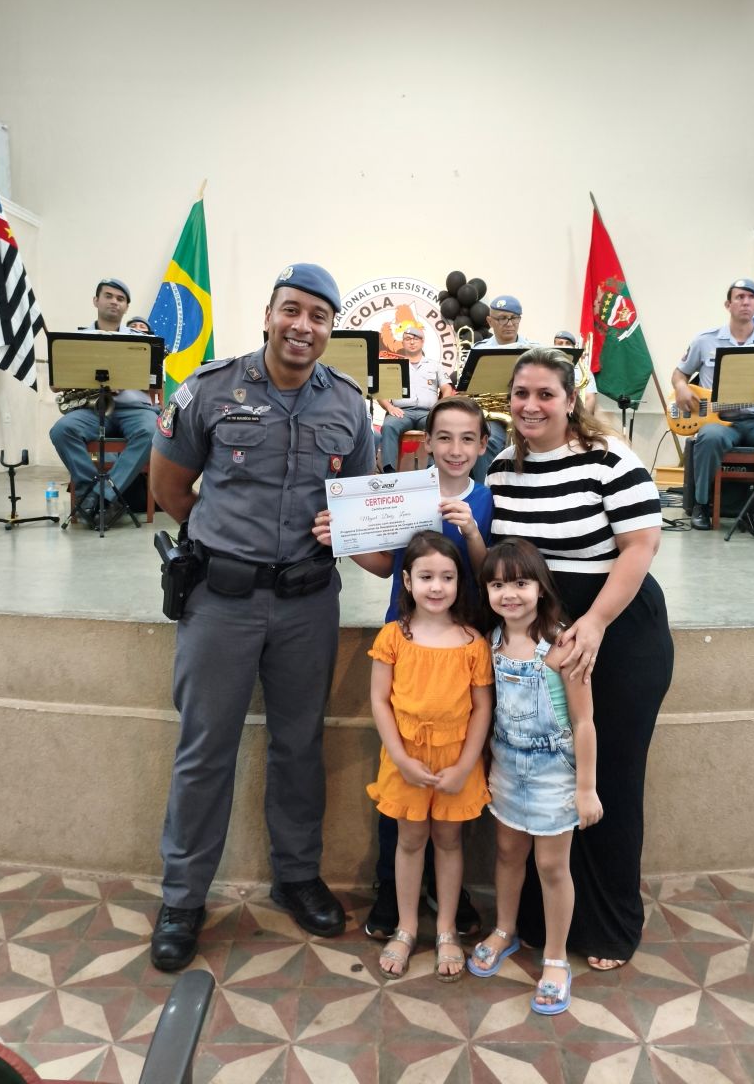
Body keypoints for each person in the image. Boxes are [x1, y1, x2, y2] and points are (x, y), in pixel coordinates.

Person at [148, 263, 375, 972]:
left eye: (319, 316)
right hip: (222, 602)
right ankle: (183, 897)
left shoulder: (349, 404)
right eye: (292, 310)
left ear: (331, 329)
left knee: (299, 746)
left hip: (308, 602)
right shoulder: (210, 390)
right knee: (204, 749)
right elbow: (170, 487)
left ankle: (297, 876)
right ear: (269, 314)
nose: (303, 326)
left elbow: (360, 499)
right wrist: (230, 542)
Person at [487, 346, 673, 971]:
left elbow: (641, 544)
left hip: (616, 634)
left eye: (546, 394)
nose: (531, 405)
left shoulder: (608, 457)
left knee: (608, 779)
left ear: (571, 401)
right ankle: (543, 921)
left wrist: (594, 623)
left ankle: (610, 926)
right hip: (548, 637)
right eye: (521, 393)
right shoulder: (503, 469)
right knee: (547, 780)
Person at [313, 396, 493, 940]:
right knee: (401, 782)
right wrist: (343, 539)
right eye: (445, 438)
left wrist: (473, 533)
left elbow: (492, 575)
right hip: (409, 644)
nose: (455, 449)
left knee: (457, 780)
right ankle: (392, 889)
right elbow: (386, 564)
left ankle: (447, 889)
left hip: (463, 647)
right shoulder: (408, 493)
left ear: (483, 446)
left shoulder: (487, 498)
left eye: (467, 439)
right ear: (426, 443)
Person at [468, 538, 602, 1015]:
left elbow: (584, 722)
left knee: (551, 866)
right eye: (498, 585)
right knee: (507, 852)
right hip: (507, 767)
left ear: (540, 588)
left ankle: (556, 957)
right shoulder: (491, 642)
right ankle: (504, 928)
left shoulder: (563, 646)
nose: (510, 594)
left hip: (553, 775)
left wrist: (586, 788)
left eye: (521, 583)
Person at [366, 530, 494, 981]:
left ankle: (445, 930)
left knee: (449, 841)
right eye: (426, 577)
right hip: (406, 760)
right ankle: (405, 927)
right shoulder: (393, 637)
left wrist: (465, 765)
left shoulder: (473, 643)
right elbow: (379, 700)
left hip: (456, 761)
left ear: (460, 582)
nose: (436, 587)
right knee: (409, 840)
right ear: (407, 581)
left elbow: (482, 709)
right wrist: (401, 759)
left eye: (447, 577)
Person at [672, 279, 754, 533]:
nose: (746, 302)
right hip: (719, 421)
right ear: (728, 304)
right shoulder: (705, 340)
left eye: (751, 298)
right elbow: (680, 373)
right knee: (709, 437)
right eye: (740, 297)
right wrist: (681, 387)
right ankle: (701, 505)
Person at [49, 278, 160, 528]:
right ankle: (94, 495)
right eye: (108, 296)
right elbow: (56, 385)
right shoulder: (75, 340)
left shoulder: (142, 340)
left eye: (120, 299)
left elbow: (154, 384)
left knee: (151, 431)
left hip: (134, 409)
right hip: (93, 409)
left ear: (126, 307)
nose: (114, 302)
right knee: (62, 430)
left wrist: (125, 377)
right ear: (95, 301)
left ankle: (102, 497)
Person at [472, 295, 535, 483]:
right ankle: (487, 488)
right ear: (490, 321)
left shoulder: (534, 350)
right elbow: (470, 388)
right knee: (486, 439)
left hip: (527, 411)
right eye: (502, 318)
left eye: (514, 318)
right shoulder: (479, 351)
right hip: (492, 414)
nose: (509, 323)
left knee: (538, 441)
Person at [378, 322, 452, 472]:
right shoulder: (394, 365)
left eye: (416, 339)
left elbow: (447, 389)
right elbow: (380, 392)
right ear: (402, 343)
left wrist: (439, 408)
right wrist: (389, 407)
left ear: (422, 342)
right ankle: (389, 472)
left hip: (428, 413)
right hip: (401, 413)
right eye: (408, 339)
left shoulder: (434, 365)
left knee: (437, 425)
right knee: (389, 426)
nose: (412, 342)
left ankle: (432, 470)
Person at [553, 330, 598, 415]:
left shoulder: (584, 370)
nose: (564, 347)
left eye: (568, 343)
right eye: (560, 343)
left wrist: (584, 420)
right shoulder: (546, 366)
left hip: (576, 415)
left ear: (574, 347)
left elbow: (589, 398)